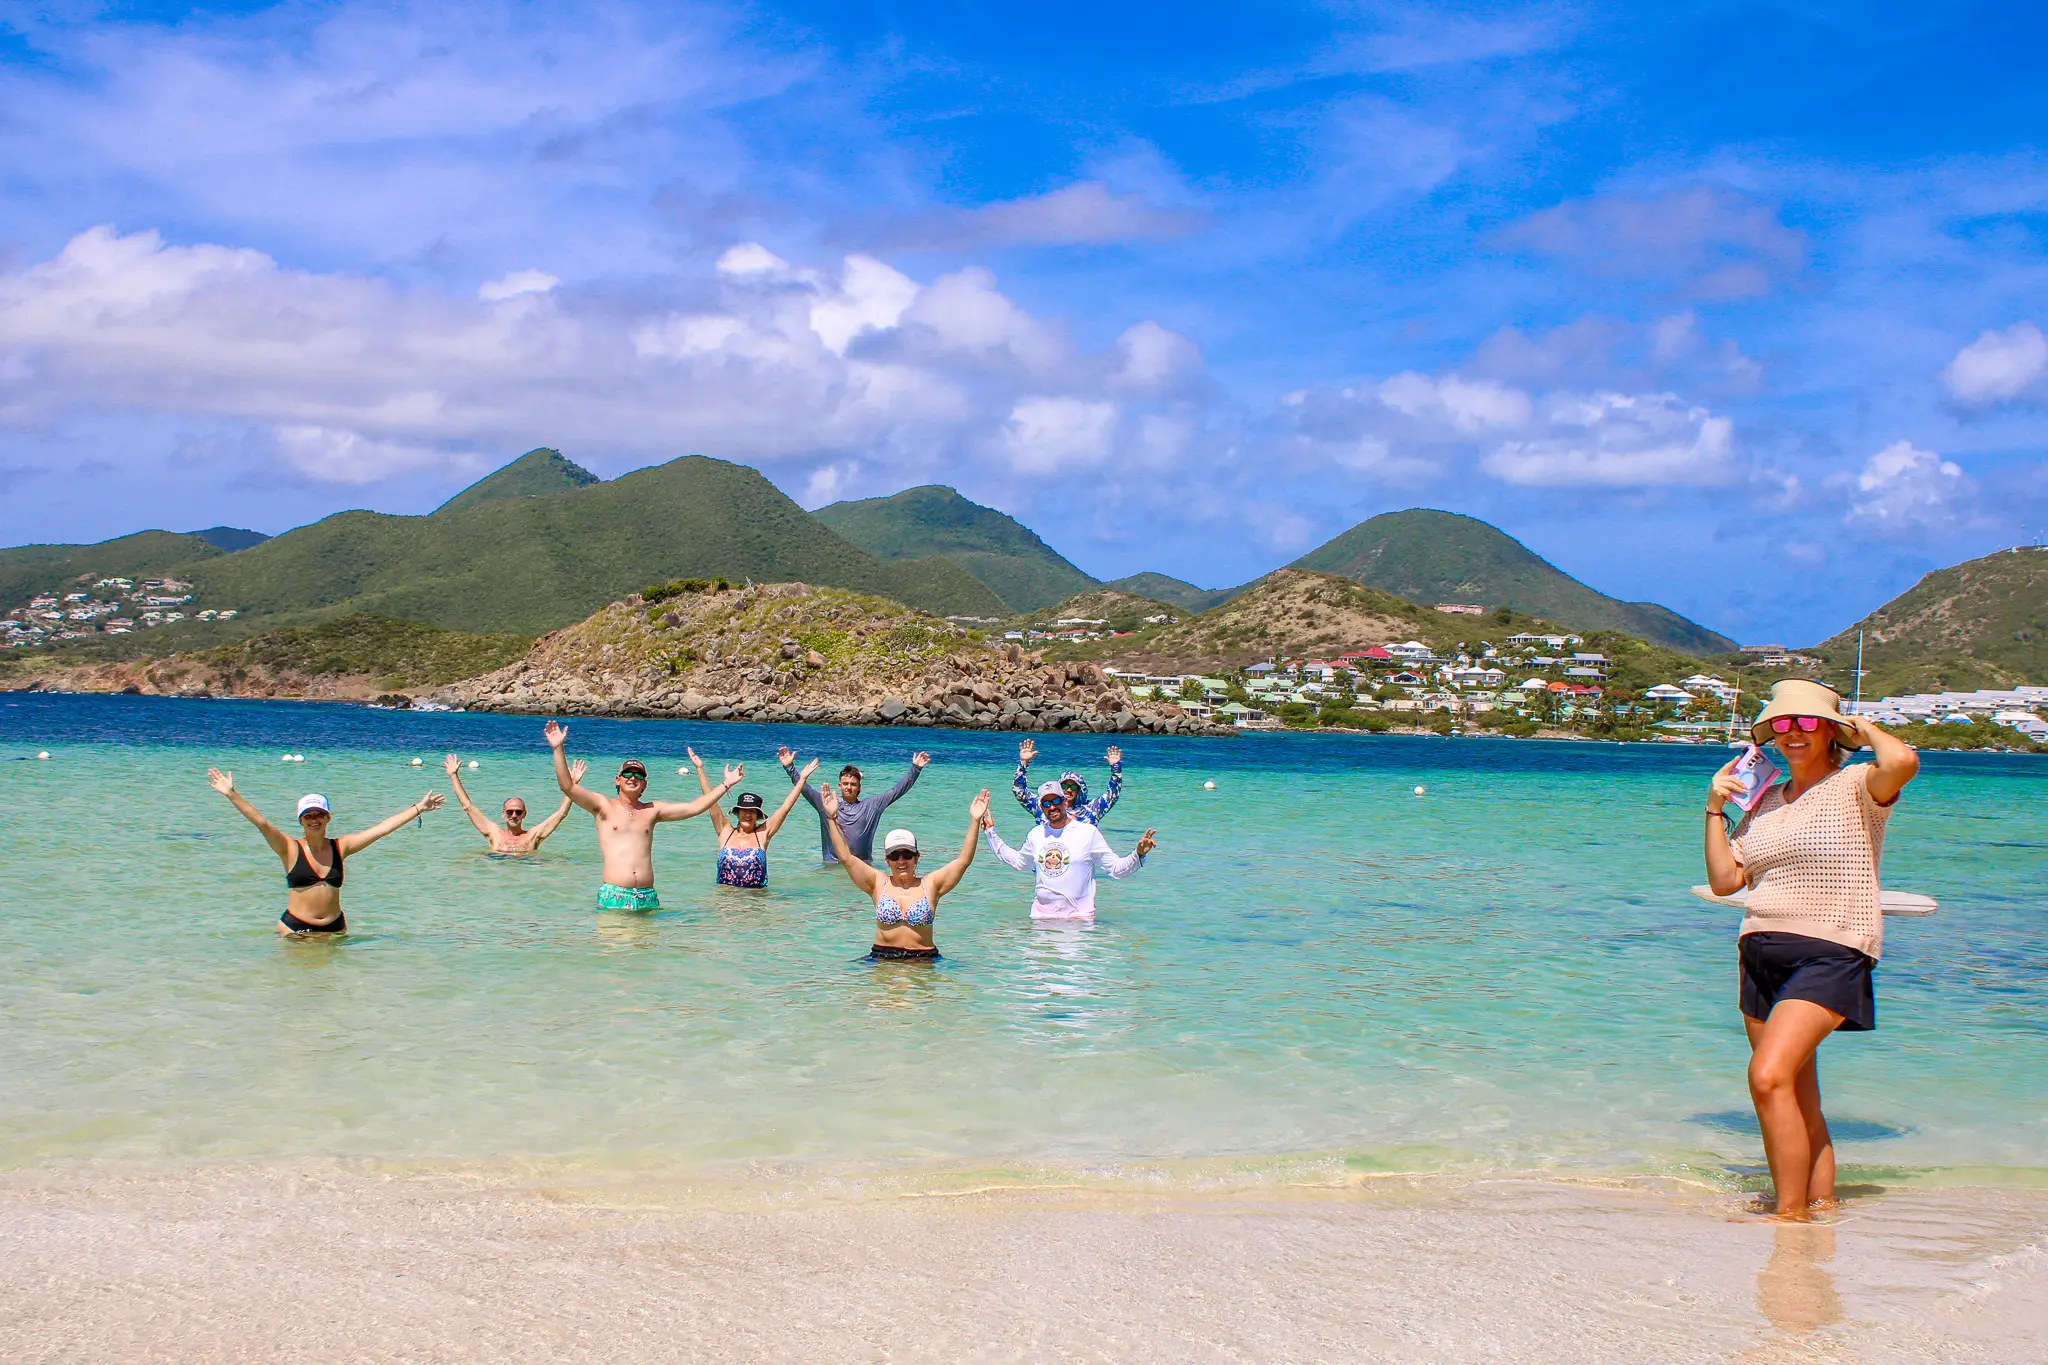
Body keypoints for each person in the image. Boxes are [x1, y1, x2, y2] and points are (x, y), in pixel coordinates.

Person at [1703, 679, 1920, 1220]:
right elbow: (1727, 880)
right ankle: (1820, 1210)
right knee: (1798, 1097)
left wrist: (1859, 727)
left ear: (1829, 731)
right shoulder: (1764, 801)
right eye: (1781, 724)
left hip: (1831, 949)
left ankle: (1788, 1216)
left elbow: (1905, 760)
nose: (1791, 733)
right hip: (1759, 951)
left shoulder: (1857, 785)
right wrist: (1713, 809)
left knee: (1766, 1076)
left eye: (1805, 722)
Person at [204, 768, 446, 935]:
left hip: (335, 929)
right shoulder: (289, 848)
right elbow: (262, 823)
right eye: (308, 816)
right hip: (295, 930)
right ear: (301, 821)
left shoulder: (341, 847)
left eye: (319, 814)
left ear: (328, 817)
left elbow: (381, 829)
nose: (314, 820)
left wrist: (418, 808)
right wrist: (231, 795)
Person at [546, 720, 736, 911]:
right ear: (617, 780)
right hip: (615, 894)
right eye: (627, 774)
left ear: (644, 785)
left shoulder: (652, 811)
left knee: (648, 941)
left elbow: (695, 807)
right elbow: (568, 786)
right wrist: (558, 748)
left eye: (638, 776)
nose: (632, 778)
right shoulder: (603, 806)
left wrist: (726, 784)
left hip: (647, 896)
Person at [819, 784, 991, 960]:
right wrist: (831, 818)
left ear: (916, 858)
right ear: (887, 860)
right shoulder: (878, 883)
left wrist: (974, 821)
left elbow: (963, 861)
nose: (901, 861)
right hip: (882, 958)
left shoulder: (930, 885)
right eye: (894, 855)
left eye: (907, 854)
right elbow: (846, 858)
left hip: (923, 960)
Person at [984, 779, 1156, 918]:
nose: (1052, 807)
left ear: (1065, 801)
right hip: (1040, 920)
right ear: (1041, 807)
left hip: (1079, 921)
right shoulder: (1035, 834)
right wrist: (991, 833)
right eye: (1046, 803)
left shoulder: (1088, 833)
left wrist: (1138, 854)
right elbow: (1019, 862)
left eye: (1056, 800)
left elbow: (1116, 870)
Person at [685, 746, 817, 887]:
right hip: (724, 903)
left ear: (758, 815)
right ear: (737, 812)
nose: (748, 814)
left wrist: (802, 779)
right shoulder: (725, 831)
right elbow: (710, 802)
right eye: (744, 810)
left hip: (756, 903)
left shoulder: (763, 833)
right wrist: (700, 769)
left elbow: (785, 807)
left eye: (752, 811)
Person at [779, 745, 930, 863]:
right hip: (832, 866)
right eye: (845, 783)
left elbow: (897, 790)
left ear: (859, 787)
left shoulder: (872, 806)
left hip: (862, 866)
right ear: (839, 786)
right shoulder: (826, 803)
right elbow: (804, 789)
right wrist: (790, 768)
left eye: (853, 784)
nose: (849, 787)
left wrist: (915, 769)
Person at [444, 752, 581, 855]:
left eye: (518, 812)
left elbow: (561, 813)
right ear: (503, 814)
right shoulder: (494, 833)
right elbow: (468, 807)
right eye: (509, 812)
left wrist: (572, 785)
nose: (514, 815)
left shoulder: (533, 835)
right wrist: (453, 776)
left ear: (524, 814)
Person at [1011, 739, 1122, 825]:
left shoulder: (1091, 809)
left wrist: (1116, 768)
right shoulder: (1044, 806)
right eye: (1065, 786)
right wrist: (1024, 763)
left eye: (1073, 787)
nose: (1068, 790)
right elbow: (1019, 791)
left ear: (1079, 790)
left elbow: (1112, 795)